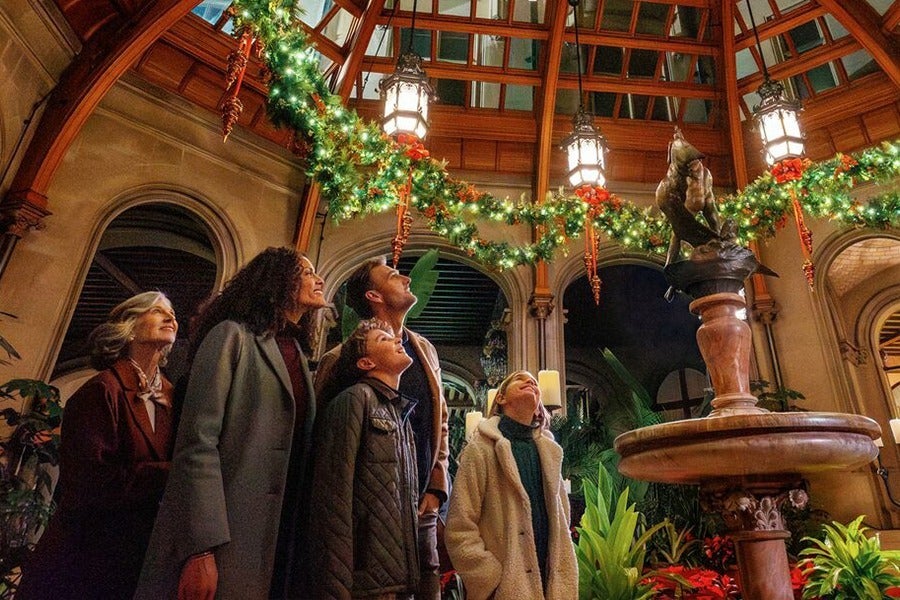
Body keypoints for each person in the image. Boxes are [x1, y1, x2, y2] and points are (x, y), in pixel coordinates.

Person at [135, 247, 327, 600]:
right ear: (277, 279)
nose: (319, 279)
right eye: (306, 271)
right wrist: (201, 548)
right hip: (223, 536)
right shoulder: (231, 336)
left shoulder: (296, 352)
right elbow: (197, 444)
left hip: (274, 536)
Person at [17, 291, 178, 600]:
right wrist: (172, 473)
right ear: (130, 327)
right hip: (82, 560)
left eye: (172, 313)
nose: (171, 317)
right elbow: (89, 484)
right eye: (158, 311)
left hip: (136, 561)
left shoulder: (174, 398)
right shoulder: (103, 390)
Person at [315, 256, 449, 600]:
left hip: (421, 509)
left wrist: (436, 488)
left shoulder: (424, 351)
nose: (406, 278)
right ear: (373, 296)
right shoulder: (340, 359)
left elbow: (441, 421)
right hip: (371, 522)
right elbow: (327, 444)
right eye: (392, 275)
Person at [306, 318, 420, 597]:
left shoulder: (399, 414)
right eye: (383, 339)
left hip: (396, 581)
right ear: (366, 363)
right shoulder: (355, 399)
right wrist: (335, 589)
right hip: (364, 582)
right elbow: (333, 500)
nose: (397, 340)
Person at [444, 370, 578, 600]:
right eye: (520, 379)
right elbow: (459, 526)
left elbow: (562, 520)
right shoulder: (480, 450)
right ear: (501, 399)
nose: (530, 382)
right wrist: (491, 579)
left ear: (538, 406)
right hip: (507, 588)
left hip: (552, 585)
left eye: (535, 383)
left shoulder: (550, 453)